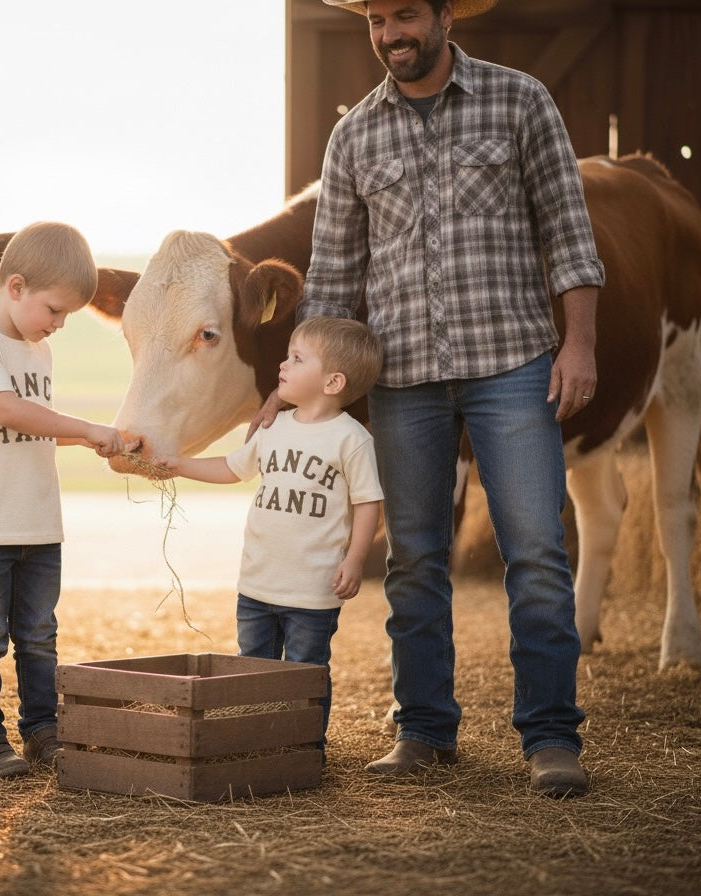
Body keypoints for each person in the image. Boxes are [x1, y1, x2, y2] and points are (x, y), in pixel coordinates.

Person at [255, 0, 605, 796]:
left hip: (511, 363)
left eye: (405, 15)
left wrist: (578, 343)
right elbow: (337, 278)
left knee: (538, 555)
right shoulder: (354, 136)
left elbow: (569, 234)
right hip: (403, 381)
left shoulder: (520, 101)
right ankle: (424, 730)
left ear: (445, 15)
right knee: (413, 561)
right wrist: (297, 385)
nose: (389, 35)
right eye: (375, 20)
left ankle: (551, 738)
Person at [0, 221, 139, 780]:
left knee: (38, 634)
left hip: (38, 522)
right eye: (54, 311)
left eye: (65, 318)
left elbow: (38, 426)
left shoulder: (38, 352)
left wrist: (88, 438)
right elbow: (7, 410)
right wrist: (86, 425)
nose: (56, 326)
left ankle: (41, 730)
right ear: (16, 286)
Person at [153, 317, 384, 749]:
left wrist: (354, 560)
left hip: (312, 589)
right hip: (258, 582)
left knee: (304, 669)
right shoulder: (273, 428)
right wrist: (180, 465)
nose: (283, 364)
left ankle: (302, 748)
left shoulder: (351, 439)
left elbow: (368, 502)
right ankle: (253, 745)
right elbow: (232, 467)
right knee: (252, 668)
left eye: (297, 359)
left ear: (333, 381)